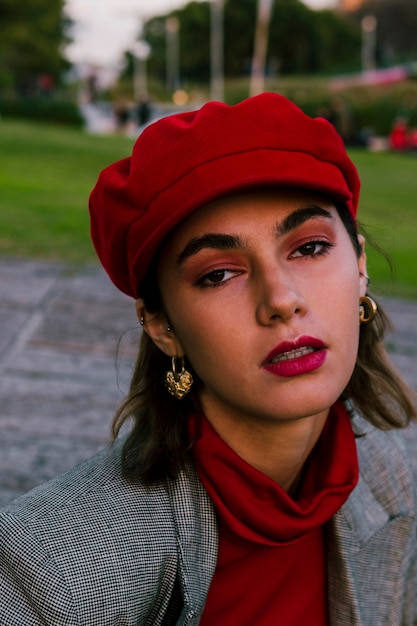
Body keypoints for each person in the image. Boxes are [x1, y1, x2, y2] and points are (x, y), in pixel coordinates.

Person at [1, 93, 416, 625]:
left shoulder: (388, 473)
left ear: (359, 264)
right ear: (162, 325)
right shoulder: (50, 571)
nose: (282, 299)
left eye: (309, 247)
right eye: (218, 273)